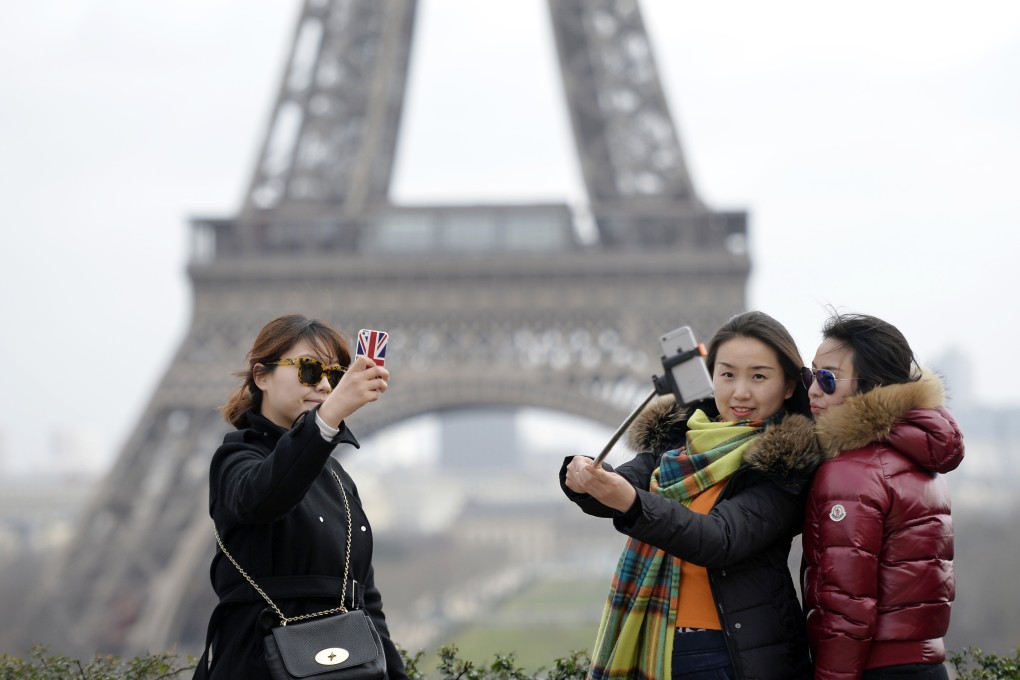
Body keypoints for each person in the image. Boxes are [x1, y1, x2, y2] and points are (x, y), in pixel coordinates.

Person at [562, 311, 825, 680]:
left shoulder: (788, 462)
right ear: (710, 376)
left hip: (725, 654)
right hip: (658, 643)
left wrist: (630, 502)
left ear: (787, 386)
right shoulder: (680, 445)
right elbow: (623, 481)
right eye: (728, 374)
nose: (740, 391)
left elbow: (718, 538)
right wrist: (582, 477)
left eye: (759, 376)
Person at [194, 314, 407, 680]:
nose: (325, 385)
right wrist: (329, 418)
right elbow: (265, 496)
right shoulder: (235, 459)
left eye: (336, 375)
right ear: (261, 376)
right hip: (258, 664)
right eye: (309, 370)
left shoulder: (339, 480)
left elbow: (366, 600)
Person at [800, 313, 964, 680]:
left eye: (827, 379)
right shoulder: (920, 460)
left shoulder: (850, 471)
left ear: (870, 387)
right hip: (927, 663)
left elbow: (847, 606)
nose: (812, 390)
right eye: (809, 376)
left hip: (874, 668)